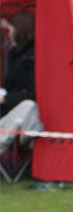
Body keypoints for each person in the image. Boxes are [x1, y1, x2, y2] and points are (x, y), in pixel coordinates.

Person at [0, 10, 43, 156]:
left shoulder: (31, 56)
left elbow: (31, 93)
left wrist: (5, 98)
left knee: (28, 106)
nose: (9, 35)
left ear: (20, 31)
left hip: (19, 107)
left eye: (11, 31)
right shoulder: (16, 53)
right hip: (10, 105)